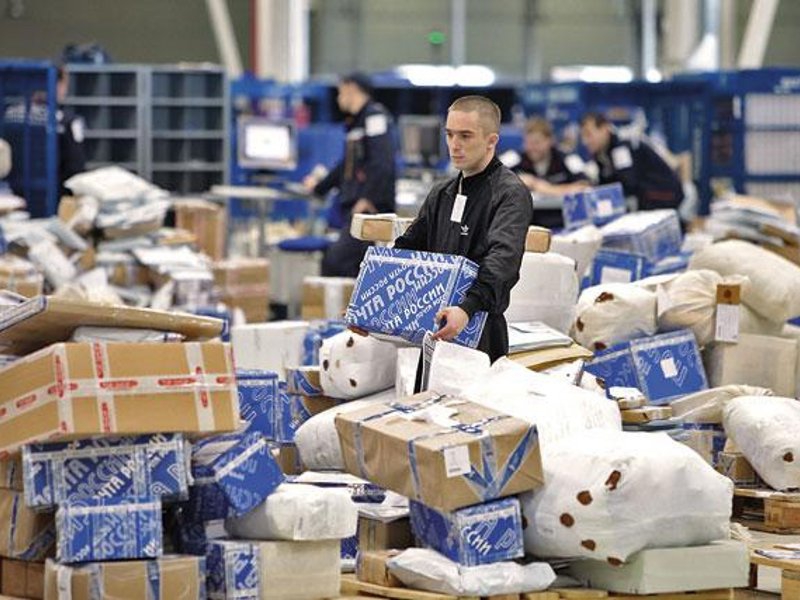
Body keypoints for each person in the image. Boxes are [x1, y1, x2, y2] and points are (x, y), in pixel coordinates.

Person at [393, 96, 532, 363]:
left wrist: (467, 308)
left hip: (480, 333)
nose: (454, 145)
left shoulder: (509, 194)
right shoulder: (442, 193)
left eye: (465, 136)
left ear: (491, 141)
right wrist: (367, 308)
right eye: (450, 134)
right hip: (435, 329)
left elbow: (503, 261)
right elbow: (407, 250)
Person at [303, 72, 396, 277]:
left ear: (351, 89)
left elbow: (383, 161)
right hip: (354, 209)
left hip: (368, 211)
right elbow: (345, 166)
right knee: (351, 268)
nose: (338, 99)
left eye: (340, 92)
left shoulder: (374, 117)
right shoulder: (356, 124)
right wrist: (318, 187)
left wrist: (368, 198)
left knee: (336, 261)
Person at [580, 111, 684, 211]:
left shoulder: (621, 147)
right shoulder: (601, 154)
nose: (585, 141)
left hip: (666, 193)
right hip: (648, 196)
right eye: (583, 136)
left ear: (604, 129)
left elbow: (627, 184)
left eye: (589, 134)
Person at [512, 116, 589, 228]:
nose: (532, 148)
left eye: (537, 142)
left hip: (562, 222)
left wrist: (542, 187)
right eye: (528, 142)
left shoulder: (568, 157)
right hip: (527, 225)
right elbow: (492, 179)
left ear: (550, 140)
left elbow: (585, 185)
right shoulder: (514, 158)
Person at [56, 65, 87, 195]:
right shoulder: (69, 121)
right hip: (58, 192)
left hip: (16, 192)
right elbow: (76, 166)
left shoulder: (12, 114)